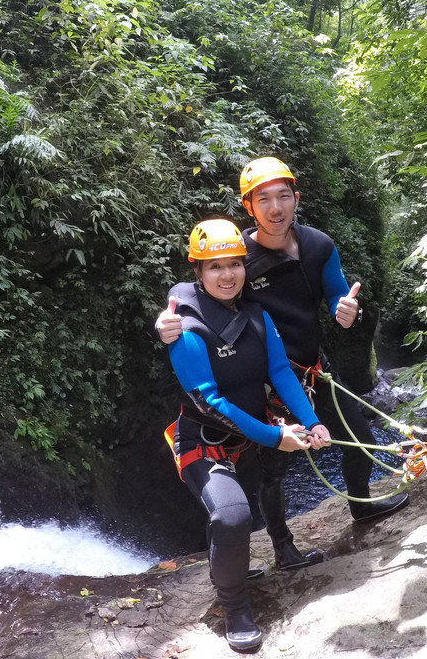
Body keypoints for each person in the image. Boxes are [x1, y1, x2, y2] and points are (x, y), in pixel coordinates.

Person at [157, 157, 409, 571]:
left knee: (357, 434)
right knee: (273, 467)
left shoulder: (318, 246)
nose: (276, 209)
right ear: (248, 206)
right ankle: (283, 546)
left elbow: (339, 295)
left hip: (311, 367)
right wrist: (163, 324)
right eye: (264, 199)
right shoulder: (236, 253)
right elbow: (191, 292)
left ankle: (361, 504)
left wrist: (350, 312)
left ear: (297, 199)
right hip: (265, 375)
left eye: (284, 197)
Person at [163, 218, 332, 652]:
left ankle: (246, 562)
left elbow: (279, 371)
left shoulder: (256, 314)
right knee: (232, 516)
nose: (227, 274)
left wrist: (311, 421)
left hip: (251, 441)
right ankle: (234, 607)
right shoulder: (186, 326)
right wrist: (275, 436)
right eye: (214, 266)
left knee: (244, 508)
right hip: (204, 439)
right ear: (197, 272)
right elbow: (208, 402)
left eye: (234, 264)